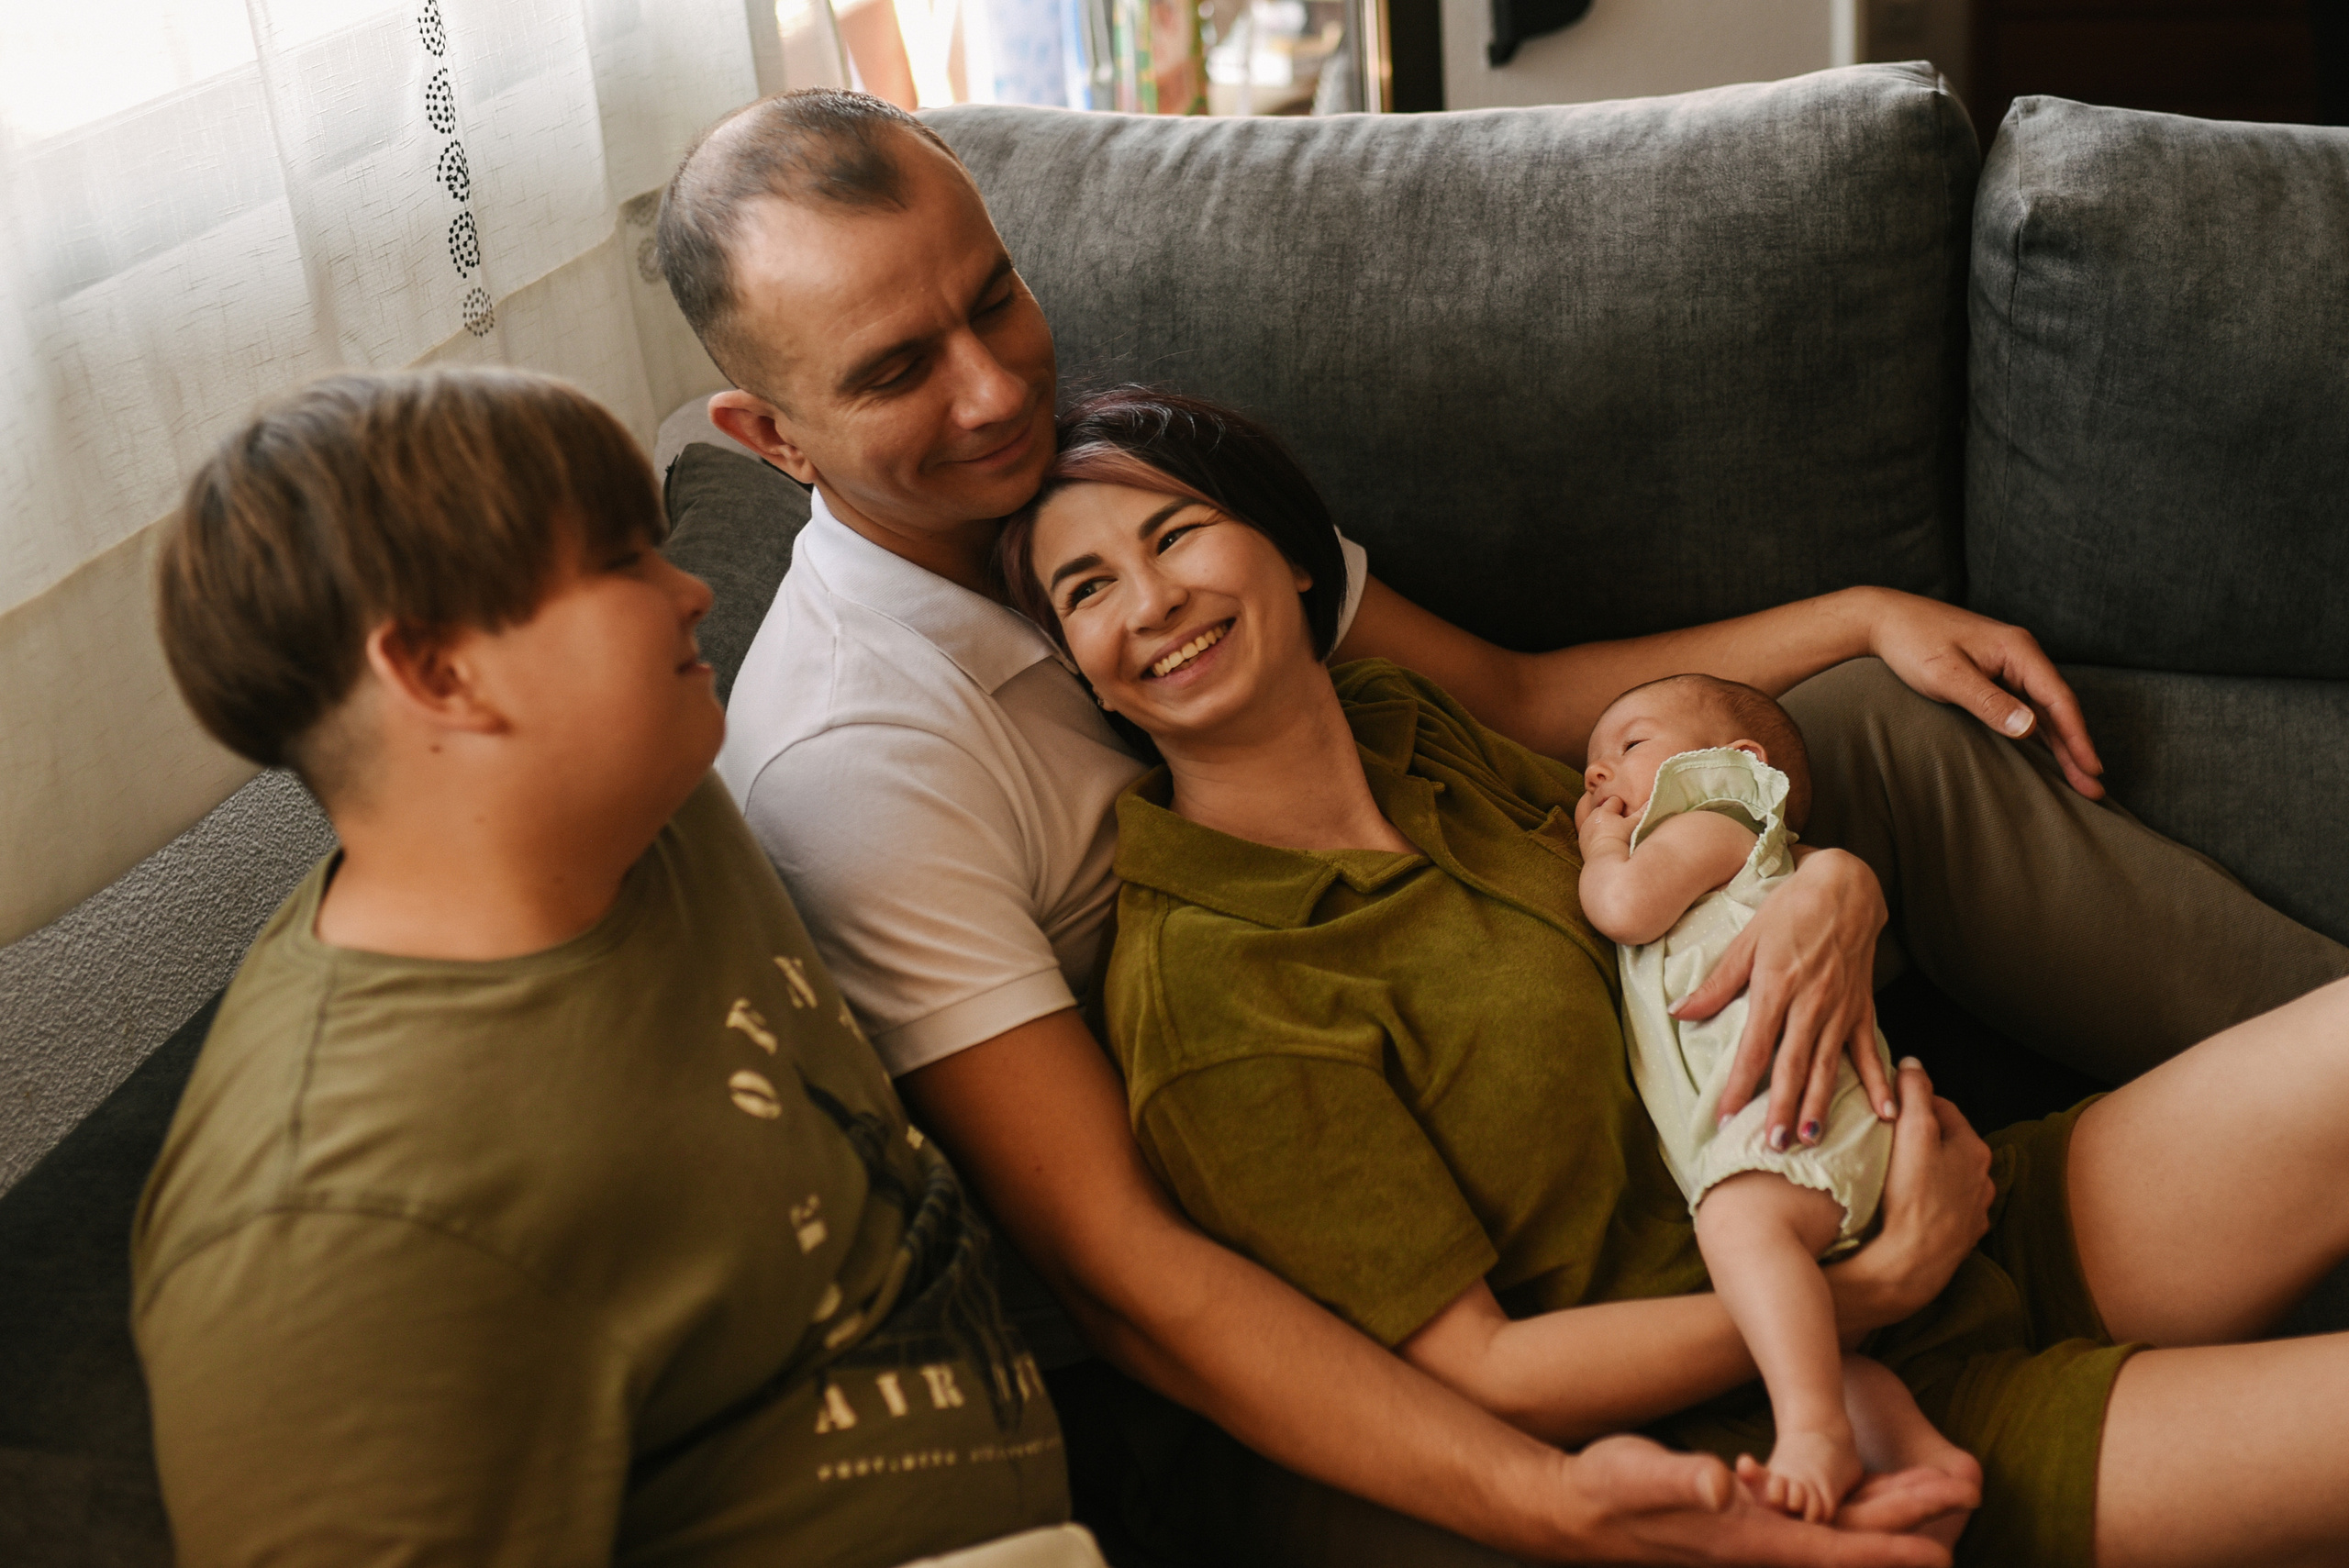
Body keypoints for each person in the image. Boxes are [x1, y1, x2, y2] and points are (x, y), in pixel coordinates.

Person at [656, 88, 2348, 1562]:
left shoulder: (1147, 509)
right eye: (897, 370)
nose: (991, 391)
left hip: (1807, 1171)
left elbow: (1533, 700)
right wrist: (1588, 1481)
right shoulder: (873, 770)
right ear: (766, 435)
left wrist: (1838, 778)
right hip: (1575, 1346)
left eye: (997, 297)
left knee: (1867, 733)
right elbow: (1140, 1282)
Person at [1003, 384, 2349, 1568]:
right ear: (1089, 681)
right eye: (1089, 590)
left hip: (1941, 1190)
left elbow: (1692, 813)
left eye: (1175, 534)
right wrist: (1872, 1295)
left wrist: (1835, 877)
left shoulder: (1410, 731)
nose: (1153, 598)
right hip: (1800, 1419)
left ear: (1299, 560)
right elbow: (1488, 1375)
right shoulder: (1216, 987)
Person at [131, 368, 1081, 1568]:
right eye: (625, 561)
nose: (692, 589)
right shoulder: (335, 1219)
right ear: (440, 674)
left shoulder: (655, 805)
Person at [1575, 675, 1955, 1525]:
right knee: (1801, 1330)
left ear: (1735, 762)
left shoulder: (1714, 816)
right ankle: (1908, 1450)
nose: (1597, 778)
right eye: (1589, 770)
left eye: (1628, 745)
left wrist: (1602, 853)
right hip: (1786, 1121)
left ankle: (1814, 1429)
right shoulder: (1723, 859)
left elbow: (1627, 907)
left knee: (1742, 1230)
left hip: (1791, 1104)